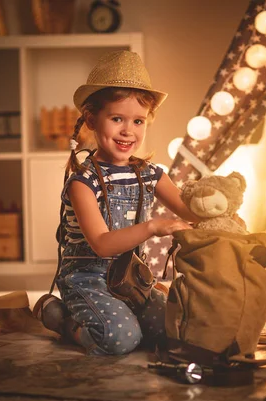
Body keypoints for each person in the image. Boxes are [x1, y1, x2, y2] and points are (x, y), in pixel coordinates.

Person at [33, 50, 198, 356]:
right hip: (87, 278)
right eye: (117, 119)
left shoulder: (150, 174)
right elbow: (102, 245)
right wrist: (153, 227)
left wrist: (217, 211)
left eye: (138, 121)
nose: (128, 130)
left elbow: (192, 212)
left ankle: (119, 313)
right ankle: (62, 318)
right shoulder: (83, 182)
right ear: (92, 120)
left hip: (131, 279)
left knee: (173, 331)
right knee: (120, 339)